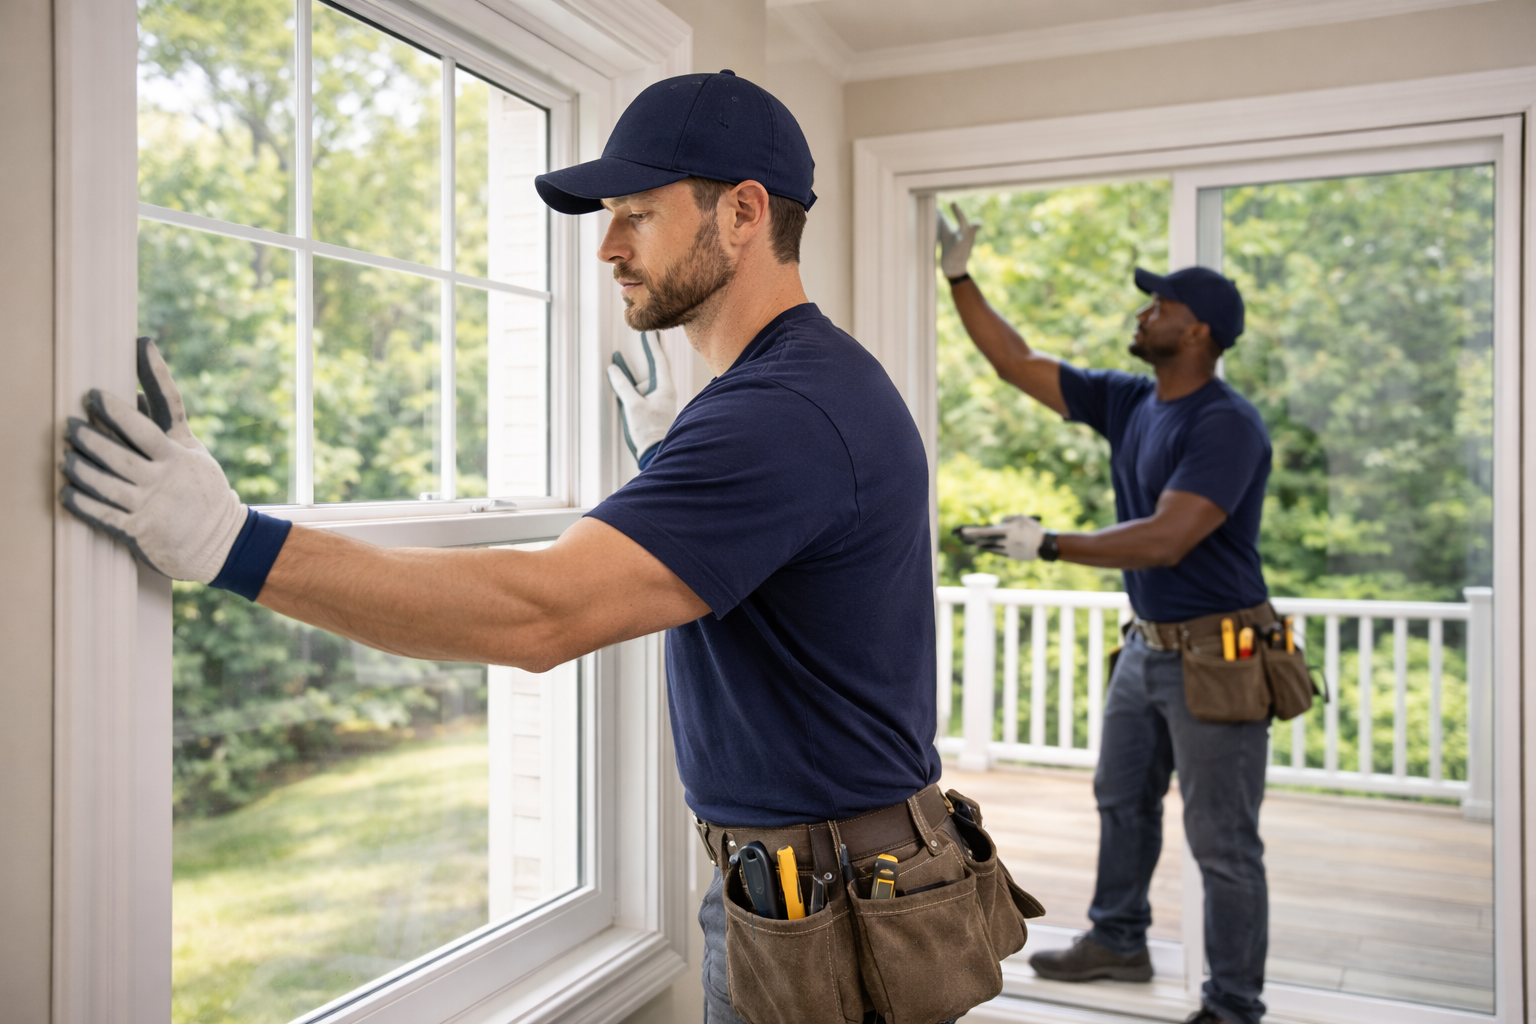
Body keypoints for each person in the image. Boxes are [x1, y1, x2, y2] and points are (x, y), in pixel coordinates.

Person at [60, 71, 1016, 1024]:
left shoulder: (782, 412)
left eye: (636, 213)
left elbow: (540, 610)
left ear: (742, 212)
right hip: (833, 876)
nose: (607, 245)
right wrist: (665, 458)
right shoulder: (799, 385)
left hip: (837, 906)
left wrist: (231, 542)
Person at [939, 206, 1273, 1024]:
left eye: (1158, 306)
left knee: (1223, 845)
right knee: (1121, 799)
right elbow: (1016, 362)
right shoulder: (1134, 402)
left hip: (1219, 653)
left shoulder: (1226, 425)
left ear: (1197, 332)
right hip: (1146, 649)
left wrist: (1047, 545)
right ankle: (1119, 940)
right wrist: (958, 277)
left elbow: (1166, 540)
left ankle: (1233, 1005)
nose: (1142, 313)